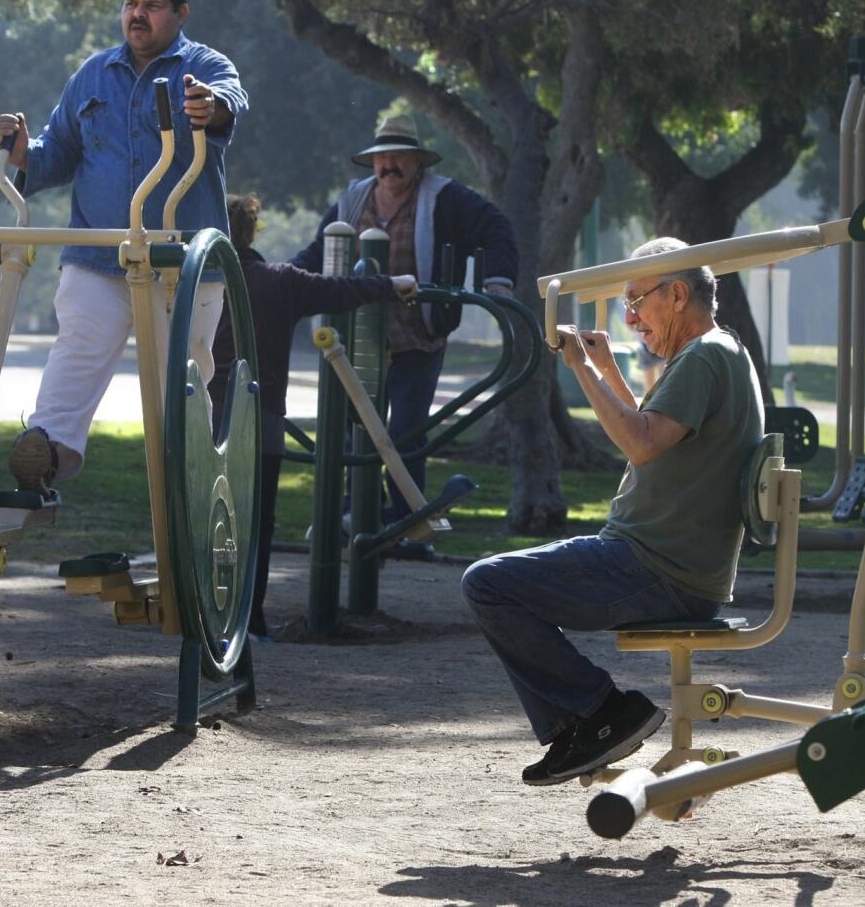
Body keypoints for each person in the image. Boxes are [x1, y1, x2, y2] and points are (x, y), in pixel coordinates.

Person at [461, 237, 764, 787]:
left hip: (656, 566)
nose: (630, 319)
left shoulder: (703, 357)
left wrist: (580, 367)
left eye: (637, 301)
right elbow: (654, 435)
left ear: (676, 294)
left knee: (487, 584)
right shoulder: (722, 350)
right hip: (670, 564)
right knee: (496, 584)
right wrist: (605, 368)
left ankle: (601, 712)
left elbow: (641, 443)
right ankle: (587, 723)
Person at [0, 0, 248, 495]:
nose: (138, 14)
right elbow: (56, 152)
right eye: (131, 3)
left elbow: (230, 101)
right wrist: (22, 153)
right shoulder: (92, 74)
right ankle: (46, 453)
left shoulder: (202, 67)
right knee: (78, 346)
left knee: (181, 377)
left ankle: (193, 484)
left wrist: (213, 106)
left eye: (153, 6)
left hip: (181, 264)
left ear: (181, 12)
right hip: (99, 255)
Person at [208, 193, 418, 640]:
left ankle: (204, 611)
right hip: (258, 414)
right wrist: (391, 282)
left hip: (200, 411)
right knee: (256, 522)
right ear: (250, 232)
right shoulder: (277, 281)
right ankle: (250, 618)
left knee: (203, 514)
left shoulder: (196, 282)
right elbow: (340, 291)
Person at [292, 114, 517, 528]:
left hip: (417, 337)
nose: (389, 165)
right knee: (350, 432)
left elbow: (495, 227)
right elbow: (319, 250)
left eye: (399, 156)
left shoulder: (445, 198)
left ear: (418, 162)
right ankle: (355, 514)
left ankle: (408, 521)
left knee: (407, 435)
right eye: (382, 157)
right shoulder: (352, 200)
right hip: (354, 344)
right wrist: (280, 283)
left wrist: (497, 282)